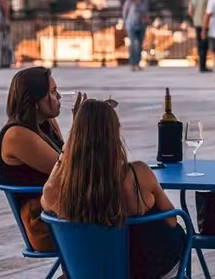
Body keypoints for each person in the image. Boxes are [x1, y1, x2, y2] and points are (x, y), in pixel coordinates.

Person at [42, 99, 186, 279]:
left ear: (75, 139)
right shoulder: (138, 175)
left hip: (89, 273)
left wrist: (68, 146)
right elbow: (171, 220)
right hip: (149, 271)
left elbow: (48, 190)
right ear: (114, 135)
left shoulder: (57, 192)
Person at [0, 67, 85, 252]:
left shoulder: (47, 123)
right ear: (35, 100)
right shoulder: (17, 135)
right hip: (46, 223)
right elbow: (69, 169)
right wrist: (80, 128)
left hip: (63, 210)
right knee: (122, 216)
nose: (59, 96)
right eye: (52, 92)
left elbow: (73, 161)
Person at [122, 0, 150, 72]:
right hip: (131, 25)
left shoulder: (144, 2)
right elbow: (125, 14)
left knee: (140, 45)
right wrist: (125, 23)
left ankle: (137, 63)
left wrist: (146, 20)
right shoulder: (129, 2)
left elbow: (146, 13)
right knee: (134, 44)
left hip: (142, 25)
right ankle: (133, 63)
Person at [189, 0, 212, 73]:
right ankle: (203, 65)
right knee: (205, 44)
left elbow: (190, 10)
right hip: (207, 23)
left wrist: (194, 18)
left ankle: (201, 64)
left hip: (197, 22)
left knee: (200, 43)